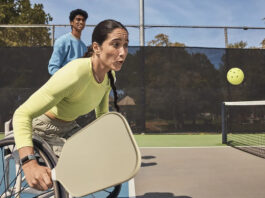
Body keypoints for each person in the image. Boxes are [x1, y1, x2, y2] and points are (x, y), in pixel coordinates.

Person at [13, 19, 129, 191]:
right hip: (42, 128)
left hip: (68, 128)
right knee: (75, 167)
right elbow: (22, 114)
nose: (122, 53)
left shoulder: (110, 75)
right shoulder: (75, 73)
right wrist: (28, 162)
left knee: (95, 160)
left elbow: (102, 114)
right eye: (116, 44)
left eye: (125, 45)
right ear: (96, 48)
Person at [48, 9, 88, 75]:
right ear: (71, 22)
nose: (81, 22)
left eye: (83, 20)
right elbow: (53, 68)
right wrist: (66, 80)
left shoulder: (84, 47)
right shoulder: (62, 41)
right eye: (78, 19)